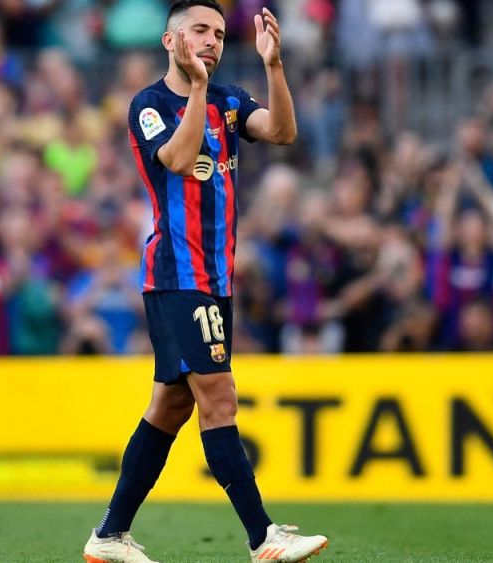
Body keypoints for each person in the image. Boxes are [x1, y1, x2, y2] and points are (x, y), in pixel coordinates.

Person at [83, 3, 328, 563]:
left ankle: (109, 536)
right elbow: (176, 158)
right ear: (170, 39)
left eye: (218, 33)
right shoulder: (149, 105)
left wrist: (274, 66)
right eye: (199, 31)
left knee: (170, 406)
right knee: (219, 398)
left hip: (214, 279)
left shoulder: (232, 100)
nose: (212, 41)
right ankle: (263, 535)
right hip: (177, 273)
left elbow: (283, 131)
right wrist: (196, 89)